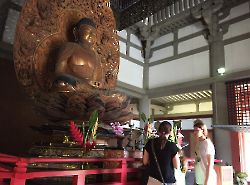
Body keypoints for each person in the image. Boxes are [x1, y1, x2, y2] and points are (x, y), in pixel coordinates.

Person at [53, 17, 104, 92]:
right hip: (71, 84)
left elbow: (99, 80)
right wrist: (80, 83)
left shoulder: (96, 56)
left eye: (94, 33)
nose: (91, 35)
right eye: (88, 31)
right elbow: (59, 72)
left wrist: (98, 84)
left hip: (89, 89)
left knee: (118, 95)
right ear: (76, 32)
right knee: (61, 83)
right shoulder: (70, 46)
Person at [193, 119, 217, 185]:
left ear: (203, 130)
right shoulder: (198, 143)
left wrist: (206, 182)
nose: (195, 132)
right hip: (199, 177)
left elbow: (210, 164)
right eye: (194, 130)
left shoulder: (208, 144)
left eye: (197, 130)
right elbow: (197, 160)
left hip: (207, 177)